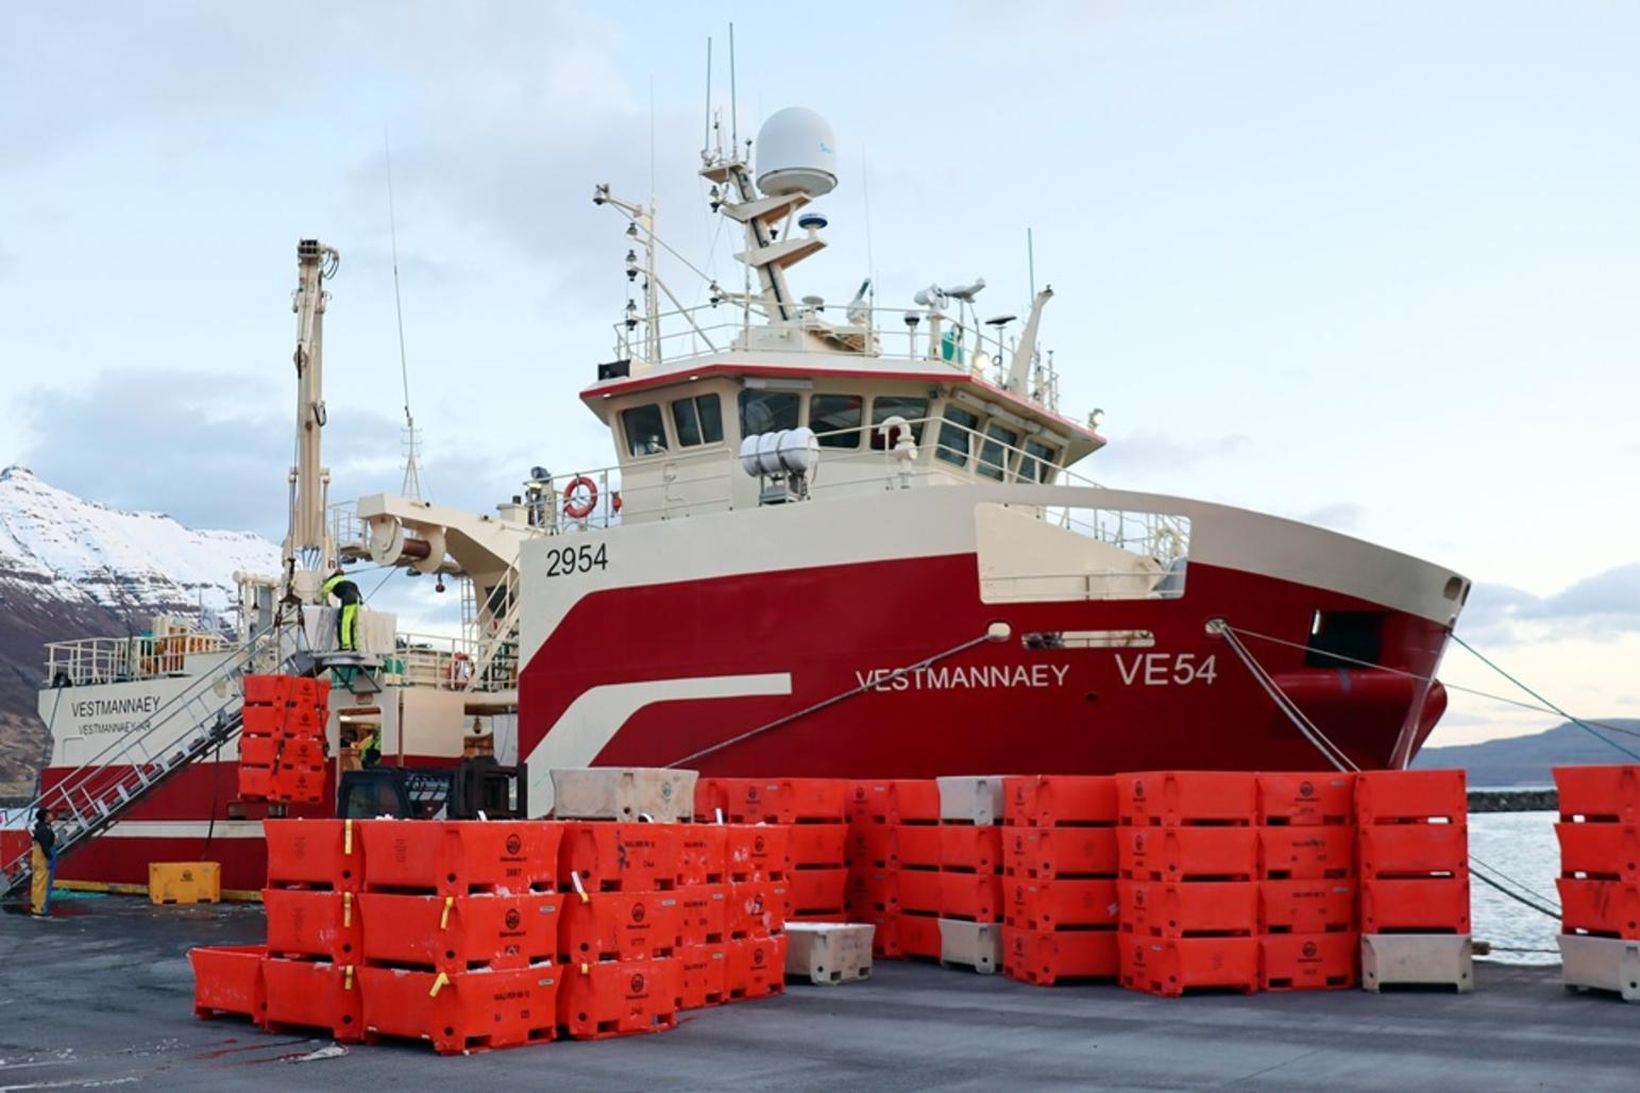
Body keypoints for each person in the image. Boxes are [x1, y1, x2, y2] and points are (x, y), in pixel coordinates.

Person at [320, 567, 363, 652]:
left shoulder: (334, 580)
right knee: (355, 624)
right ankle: (356, 645)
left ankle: (345, 645)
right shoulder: (351, 583)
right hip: (357, 602)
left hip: (348, 601)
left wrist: (323, 600)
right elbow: (359, 594)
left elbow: (324, 591)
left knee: (345, 622)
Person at [30, 807, 56, 916]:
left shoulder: (40, 828)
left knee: (37, 883)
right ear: (45, 817)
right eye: (50, 814)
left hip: (37, 859)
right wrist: (50, 858)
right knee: (42, 885)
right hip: (43, 860)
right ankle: (40, 908)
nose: (52, 816)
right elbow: (45, 846)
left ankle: (35, 906)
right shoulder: (44, 830)